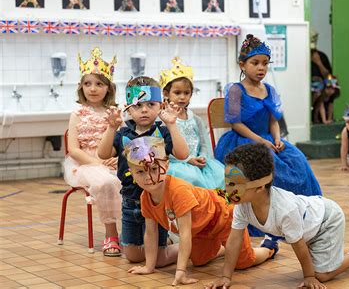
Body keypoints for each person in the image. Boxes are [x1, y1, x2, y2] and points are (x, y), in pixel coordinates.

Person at [205, 143, 349, 289]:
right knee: (316, 265)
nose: (227, 189)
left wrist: (309, 277)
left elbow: (298, 245)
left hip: (327, 221)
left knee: (321, 275)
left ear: (258, 187)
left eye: (233, 185)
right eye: (227, 182)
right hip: (309, 223)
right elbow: (234, 241)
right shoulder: (243, 204)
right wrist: (226, 277)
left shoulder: (284, 210)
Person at [125, 137, 276, 286]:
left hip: (223, 214)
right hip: (202, 228)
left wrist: (180, 271)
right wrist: (148, 267)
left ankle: (269, 246)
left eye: (153, 169)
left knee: (244, 262)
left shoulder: (178, 191)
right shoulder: (145, 197)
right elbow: (151, 233)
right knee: (199, 261)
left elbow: (184, 234)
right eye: (140, 172)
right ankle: (227, 248)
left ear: (166, 164)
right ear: (131, 173)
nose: (149, 177)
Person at [214, 34, 322, 198]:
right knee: (269, 164)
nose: (261, 68)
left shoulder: (269, 90)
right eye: (255, 63)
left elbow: (273, 121)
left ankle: (298, 209)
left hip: (268, 139)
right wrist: (261, 141)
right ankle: (265, 211)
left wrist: (277, 138)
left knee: (298, 160)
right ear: (242, 65)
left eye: (265, 63)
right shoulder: (236, 90)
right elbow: (236, 124)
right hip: (244, 139)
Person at [97, 75, 189, 264]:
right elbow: (103, 154)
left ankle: (191, 246)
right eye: (138, 106)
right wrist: (111, 128)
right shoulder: (123, 133)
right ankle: (166, 242)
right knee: (132, 256)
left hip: (157, 201)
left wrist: (172, 125)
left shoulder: (162, 132)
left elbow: (182, 154)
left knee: (158, 259)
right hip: (131, 200)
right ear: (129, 108)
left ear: (160, 105)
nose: (144, 110)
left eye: (150, 105)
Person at [63, 47, 122, 256]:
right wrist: (97, 163)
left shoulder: (113, 112)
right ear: (81, 87)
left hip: (110, 161)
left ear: (109, 87)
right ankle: (111, 234)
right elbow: (72, 149)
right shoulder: (78, 113)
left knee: (143, 177)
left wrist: (116, 158)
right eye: (87, 83)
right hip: (84, 164)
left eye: (99, 84)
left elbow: (119, 144)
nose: (93, 89)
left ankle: (141, 230)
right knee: (107, 182)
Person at [159, 57, 225, 189]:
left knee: (222, 175)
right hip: (177, 164)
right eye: (177, 93)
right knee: (191, 178)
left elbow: (204, 143)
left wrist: (203, 157)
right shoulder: (163, 119)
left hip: (199, 162)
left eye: (186, 93)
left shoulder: (195, 119)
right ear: (166, 93)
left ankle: (217, 208)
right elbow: (163, 148)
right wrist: (188, 160)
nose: (182, 97)